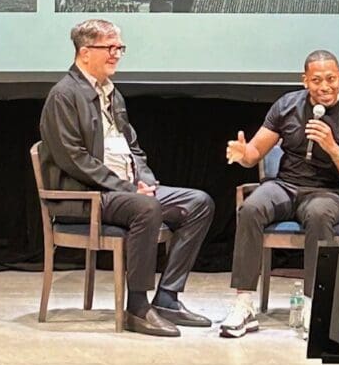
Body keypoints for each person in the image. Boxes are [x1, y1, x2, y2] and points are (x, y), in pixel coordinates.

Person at [39, 19, 215, 337]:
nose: (117, 54)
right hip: (85, 196)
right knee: (145, 209)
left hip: (126, 191)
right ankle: (137, 307)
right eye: (110, 47)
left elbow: (133, 147)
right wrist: (129, 189)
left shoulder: (112, 94)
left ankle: (167, 298)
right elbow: (74, 158)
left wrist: (146, 182)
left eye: (119, 47)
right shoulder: (63, 95)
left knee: (198, 202)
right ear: (84, 52)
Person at [220, 50, 339, 338]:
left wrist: (333, 147)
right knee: (251, 208)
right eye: (316, 80)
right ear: (305, 81)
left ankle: (313, 304)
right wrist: (243, 155)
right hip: (285, 186)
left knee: (318, 215)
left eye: (331, 79)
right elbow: (255, 153)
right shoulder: (287, 106)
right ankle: (244, 304)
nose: (324, 86)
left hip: (327, 192)